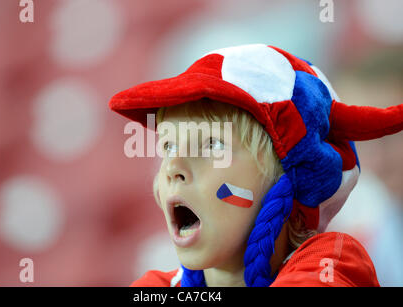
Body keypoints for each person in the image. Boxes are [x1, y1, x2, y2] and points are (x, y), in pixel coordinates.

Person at [108, 44, 403, 287]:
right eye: (168, 146)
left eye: (213, 145)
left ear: (287, 178)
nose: (173, 167)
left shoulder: (333, 263)